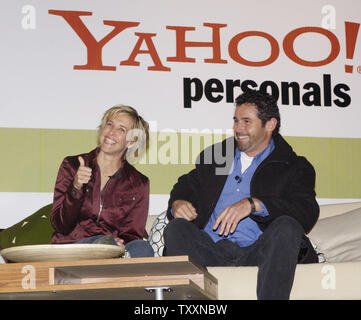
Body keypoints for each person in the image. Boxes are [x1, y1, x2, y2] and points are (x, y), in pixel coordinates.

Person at [163, 89, 319, 299]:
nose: (238, 128)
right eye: (236, 121)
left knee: (287, 226)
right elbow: (185, 185)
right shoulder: (216, 157)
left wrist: (254, 204)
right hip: (210, 249)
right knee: (176, 229)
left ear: (270, 125)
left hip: (258, 250)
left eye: (246, 121)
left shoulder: (293, 166)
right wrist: (178, 203)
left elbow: (306, 211)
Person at [50, 105, 154, 258]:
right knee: (105, 244)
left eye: (121, 129)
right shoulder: (72, 165)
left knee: (142, 248)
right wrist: (76, 187)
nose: (111, 132)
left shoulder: (139, 183)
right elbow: (60, 224)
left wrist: (121, 242)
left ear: (131, 142)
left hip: (110, 248)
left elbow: (132, 234)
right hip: (72, 246)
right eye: (109, 124)